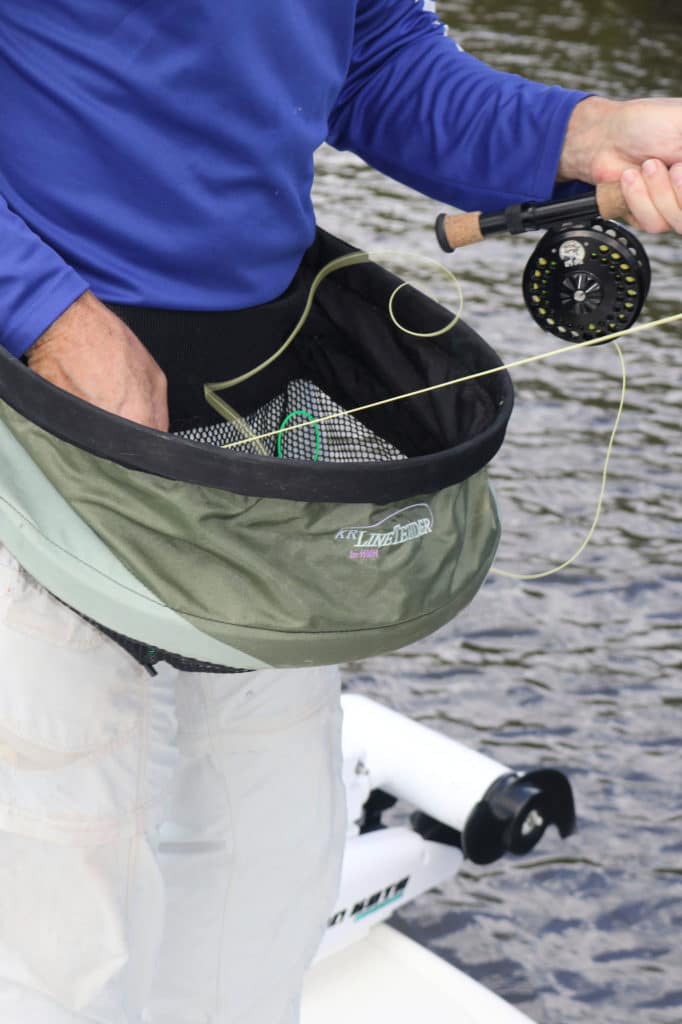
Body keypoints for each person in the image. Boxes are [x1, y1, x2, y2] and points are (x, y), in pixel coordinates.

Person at [0, 2, 680, 1023]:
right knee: (52, 918)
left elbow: (370, 60)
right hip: (39, 430)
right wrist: (41, 310)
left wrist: (586, 133)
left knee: (264, 867)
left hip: (265, 430)